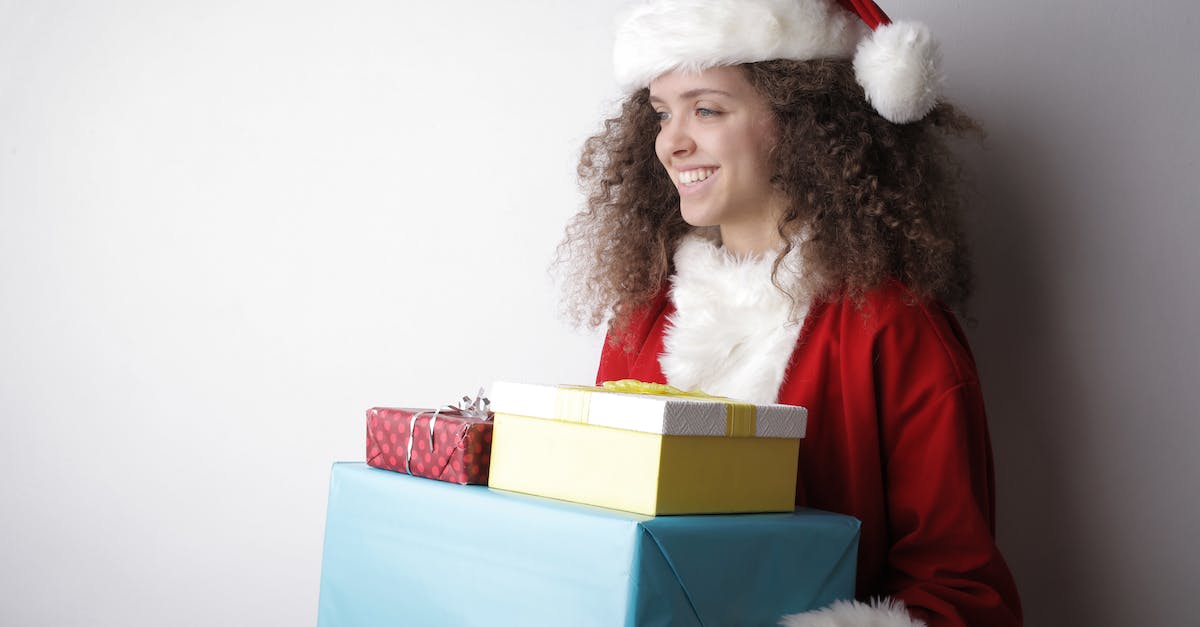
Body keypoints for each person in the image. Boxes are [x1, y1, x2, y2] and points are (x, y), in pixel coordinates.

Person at [557, 1, 1023, 626]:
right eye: (663, 113)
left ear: (801, 119)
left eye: (707, 108)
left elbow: (960, 591)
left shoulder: (894, 326)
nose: (672, 141)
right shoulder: (643, 317)